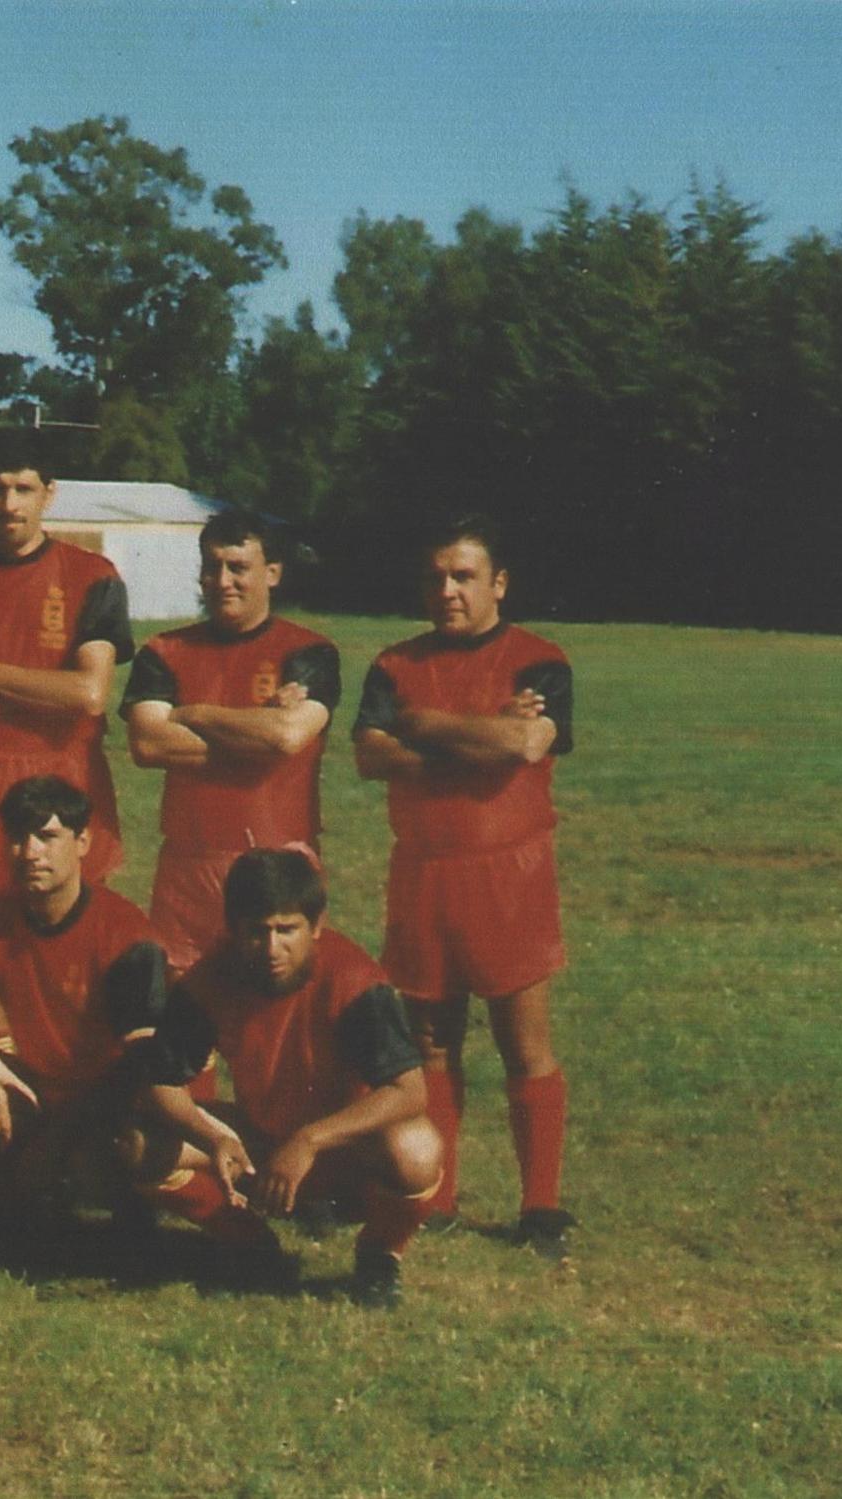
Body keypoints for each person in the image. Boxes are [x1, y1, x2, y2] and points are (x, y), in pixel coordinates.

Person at [352, 514, 576, 1260]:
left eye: (463, 576)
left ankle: (539, 1204)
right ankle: (438, 1191)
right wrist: (472, 738)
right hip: (421, 871)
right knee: (429, 1041)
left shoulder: (539, 661)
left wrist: (422, 724)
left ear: (498, 583)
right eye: (435, 577)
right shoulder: (393, 663)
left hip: (508, 874)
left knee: (522, 1039)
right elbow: (371, 754)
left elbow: (524, 742)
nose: (445, 590)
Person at [131, 848, 442, 1307]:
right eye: (257, 932)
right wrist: (212, 1138)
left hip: (347, 1152)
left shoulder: (354, 981)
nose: (272, 949)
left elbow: (409, 1091)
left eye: (286, 930)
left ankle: (380, 1254)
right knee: (141, 1145)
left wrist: (310, 1140)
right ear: (233, 929)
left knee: (417, 1149)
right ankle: (247, 1242)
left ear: (316, 927)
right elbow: (160, 1082)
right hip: (261, 1143)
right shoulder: (210, 980)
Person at [0, 775, 167, 1212]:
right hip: (39, 1082)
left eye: (47, 836)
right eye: (19, 838)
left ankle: (55, 1181)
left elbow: (140, 1063)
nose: (30, 853)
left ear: (82, 842)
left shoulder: (126, 934)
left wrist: (61, 1134)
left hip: (107, 1099)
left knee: (91, 1182)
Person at [0, 426, 133, 913]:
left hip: (67, 773)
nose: (9, 504)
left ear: (49, 494)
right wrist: (46, 690)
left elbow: (88, 695)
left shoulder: (93, 576)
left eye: (23, 489)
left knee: (69, 942)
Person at [122, 508, 340, 975]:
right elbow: (149, 745)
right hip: (189, 865)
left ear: (273, 573)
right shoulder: (164, 652)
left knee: (273, 1013)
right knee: (184, 1016)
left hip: (280, 862)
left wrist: (192, 713)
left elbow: (286, 736)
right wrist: (254, 727)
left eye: (238, 567)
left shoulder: (309, 653)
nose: (223, 581)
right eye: (212, 566)